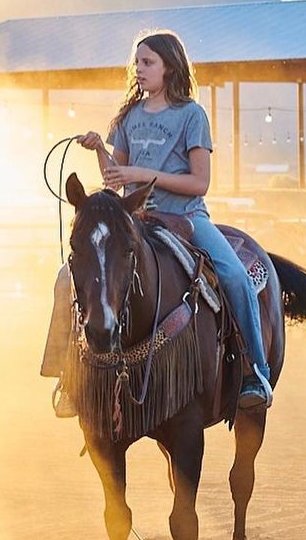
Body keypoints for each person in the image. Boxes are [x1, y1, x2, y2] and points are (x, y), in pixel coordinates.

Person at [48, 29, 272, 416]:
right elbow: (115, 179)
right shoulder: (128, 116)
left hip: (186, 218)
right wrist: (102, 149)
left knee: (235, 277)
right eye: (136, 62)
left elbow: (199, 182)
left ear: (170, 67)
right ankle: (67, 373)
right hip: (138, 219)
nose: (139, 69)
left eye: (148, 62)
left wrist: (142, 171)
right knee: (66, 278)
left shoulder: (191, 116)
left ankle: (255, 370)